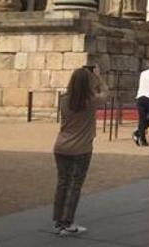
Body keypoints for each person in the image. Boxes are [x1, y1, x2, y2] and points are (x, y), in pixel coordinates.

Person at [52, 66, 108, 236]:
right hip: (81, 147)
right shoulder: (90, 102)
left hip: (61, 146)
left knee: (62, 183)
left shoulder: (64, 99)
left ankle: (58, 220)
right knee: (75, 185)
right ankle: (67, 222)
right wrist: (98, 77)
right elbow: (105, 93)